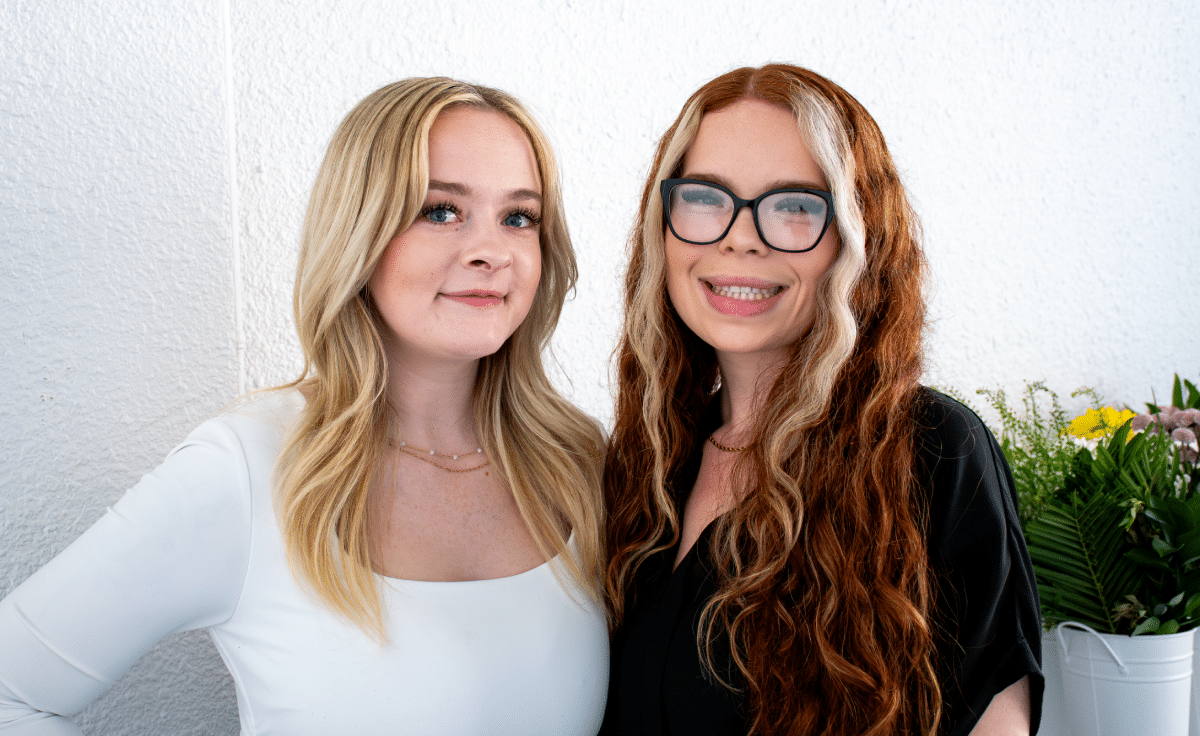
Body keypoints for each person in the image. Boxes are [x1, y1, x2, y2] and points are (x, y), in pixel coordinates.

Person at [0, 78, 609, 735]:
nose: (491, 251)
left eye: (519, 217)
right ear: (359, 232)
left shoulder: (581, 464)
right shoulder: (245, 468)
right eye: (440, 211)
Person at [602, 65, 1043, 736]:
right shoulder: (644, 466)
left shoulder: (932, 451)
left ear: (858, 239)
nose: (740, 237)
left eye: (795, 206)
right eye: (705, 198)